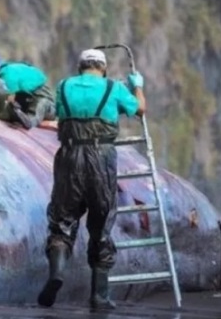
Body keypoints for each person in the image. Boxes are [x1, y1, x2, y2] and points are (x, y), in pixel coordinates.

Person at [37, 49, 146, 310]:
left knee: (62, 220)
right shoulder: (113, 88)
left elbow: (59, 115)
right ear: (103, 68)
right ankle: (99, 296)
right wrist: (137, 86)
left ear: (80, 67)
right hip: (101, 158)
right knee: (101, 223)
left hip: (69, 157)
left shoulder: (64, 87)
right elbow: (140, 109)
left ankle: (56, 273)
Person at [0, 47, 56, 129]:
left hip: (47, 106)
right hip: (25, 104)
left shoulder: (7, 73)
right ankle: (21, 116)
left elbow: (7, 98)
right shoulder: (0, 76)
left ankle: (29, 121)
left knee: (40, 105)